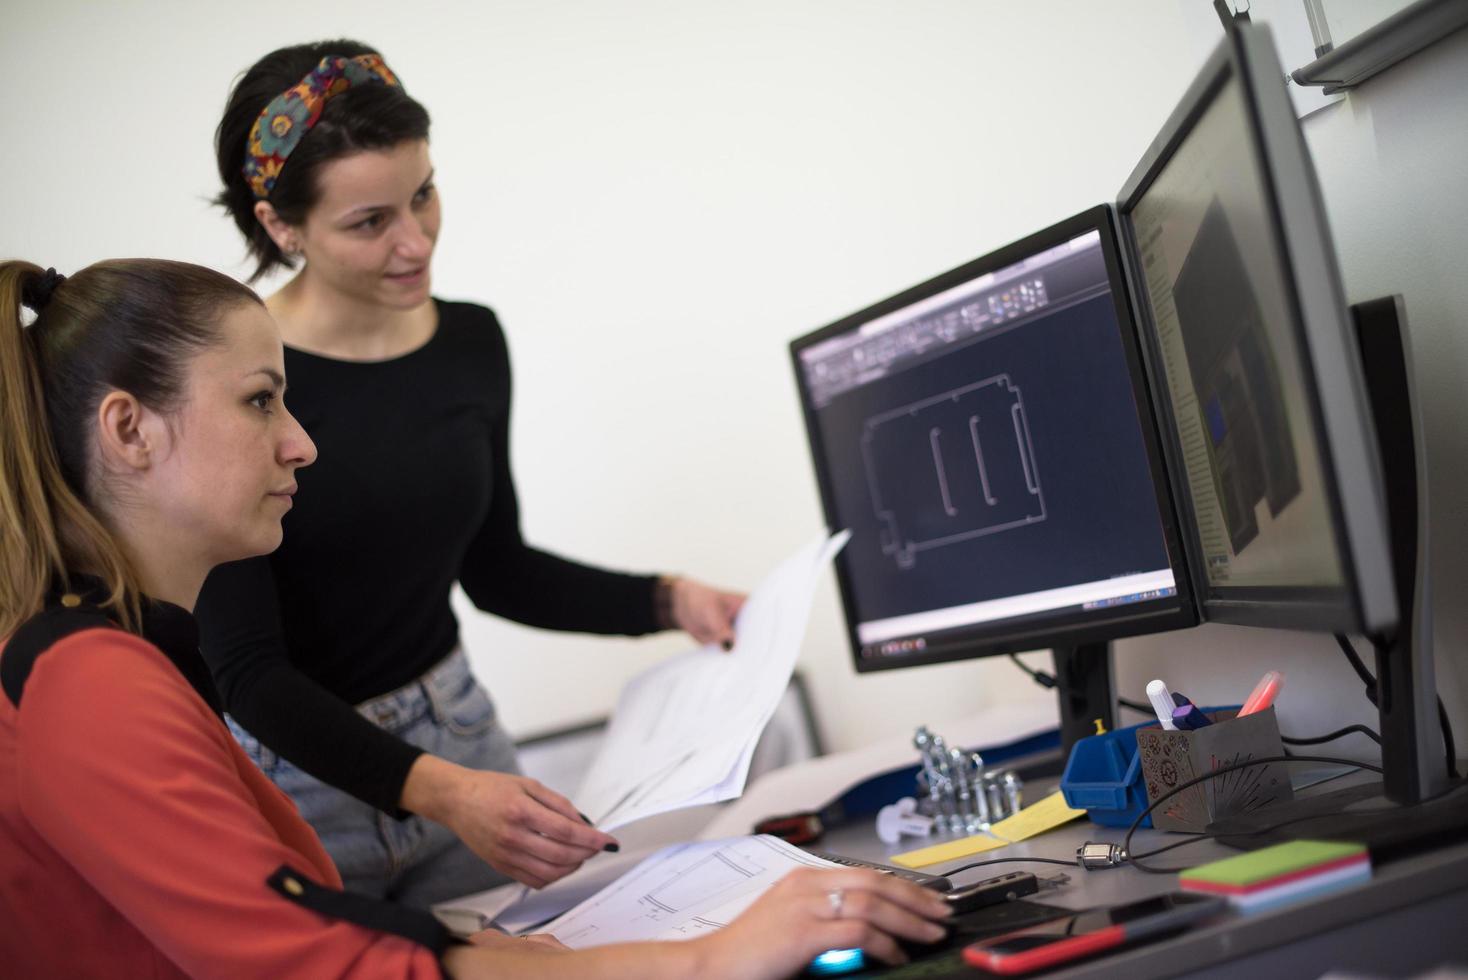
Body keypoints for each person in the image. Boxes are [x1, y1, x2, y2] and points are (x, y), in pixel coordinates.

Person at [0, 257, 951, 978]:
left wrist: (664, 600)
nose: (302, 443)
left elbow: (357, 945)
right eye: (260, 402)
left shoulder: (115, 660)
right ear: (128, 430)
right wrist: (714, 956)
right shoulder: (97, 689)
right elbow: (338, 968)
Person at [201, 41, 747, 905]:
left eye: (421, 194)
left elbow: (496, 570)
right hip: (293, 779)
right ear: (281, 226)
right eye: (368, 222)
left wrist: (670, 600)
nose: (414, 242)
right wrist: (444, 793)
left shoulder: (469, 343)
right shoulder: (233, 381)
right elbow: (247, 674)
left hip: (458, 733)